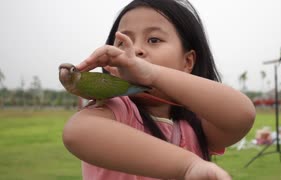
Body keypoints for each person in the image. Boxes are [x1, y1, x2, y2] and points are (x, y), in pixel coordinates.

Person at [62, 0, 256, 179]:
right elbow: (77, 133)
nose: (136, 49)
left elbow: (242, 114)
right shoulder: (116, 111)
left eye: (154, 40)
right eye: (122, 43)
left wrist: (152, 74)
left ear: (188, 61)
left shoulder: (197, 127)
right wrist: (188, 166)